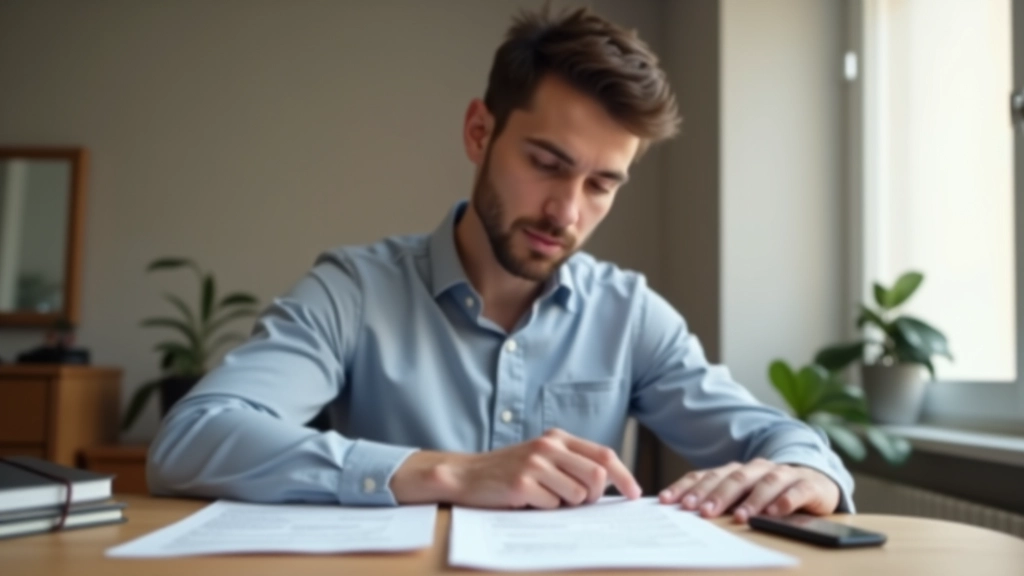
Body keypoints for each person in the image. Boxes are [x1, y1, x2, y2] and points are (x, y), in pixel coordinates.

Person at [148, 5, 854, 524]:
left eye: (602, 184)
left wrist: (803, 472)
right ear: (479, 132)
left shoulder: (631, 316)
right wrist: (450, 473)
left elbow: (777, 438)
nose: (566, 212)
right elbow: (191, 439)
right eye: (547, 164)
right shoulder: (354, 292)